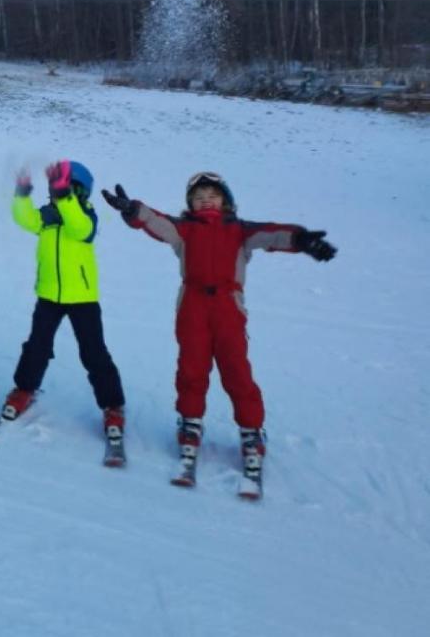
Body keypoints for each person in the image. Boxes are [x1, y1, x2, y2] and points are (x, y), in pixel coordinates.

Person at [100, 172, 337, 485]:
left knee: (236, 370)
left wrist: (301, 239)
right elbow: (158, 223)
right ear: (190, 204)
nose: (205, 201)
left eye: (212, 196)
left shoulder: (240, 230)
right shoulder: (185, 230)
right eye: (198, 198)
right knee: (191, 369)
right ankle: (190, 424)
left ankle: (251, 432)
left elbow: (271, 234)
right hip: (193, 307)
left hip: (228, 308)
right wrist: (133, 210)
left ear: (225, 200)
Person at [4, 160, 126, 457]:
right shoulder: (47, 215)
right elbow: (24, 219)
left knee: (93, 352)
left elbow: (78, 227)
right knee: (37, 346)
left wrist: (65, 198)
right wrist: (22, 193)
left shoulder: (86, 215)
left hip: (82, 297)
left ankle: (112, 405)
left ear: (80, 191)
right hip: (48, 295)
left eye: (67, 187)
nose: (59, 192)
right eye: (56, 187)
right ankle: (24, 389)